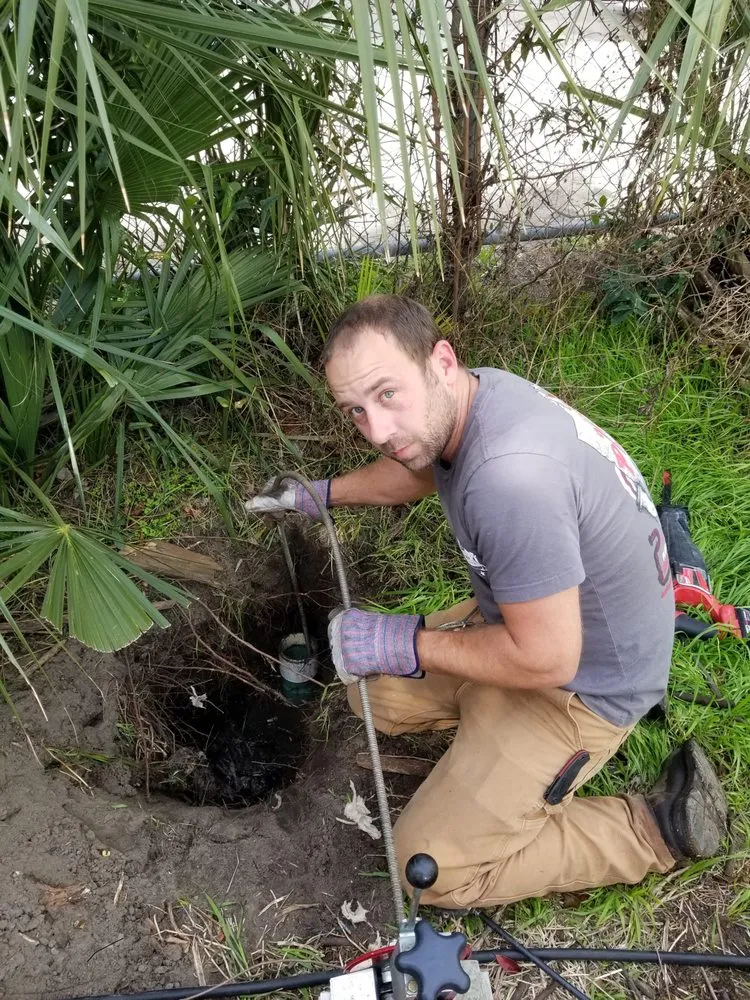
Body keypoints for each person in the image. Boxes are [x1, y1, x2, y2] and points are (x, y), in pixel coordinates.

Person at [246, 294, 727, 909]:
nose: (378, 430)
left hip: (583, 683)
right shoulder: (476, 397)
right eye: (355, 411)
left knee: (430, 870)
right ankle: (486, 722)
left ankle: (651, 832)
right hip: (535, 623)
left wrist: (407, 643)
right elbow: (416, 465)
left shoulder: (510, 479)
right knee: (366, 694)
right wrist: (321, 494)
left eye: (386, 394)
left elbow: (549, 659)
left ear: (440, 361)